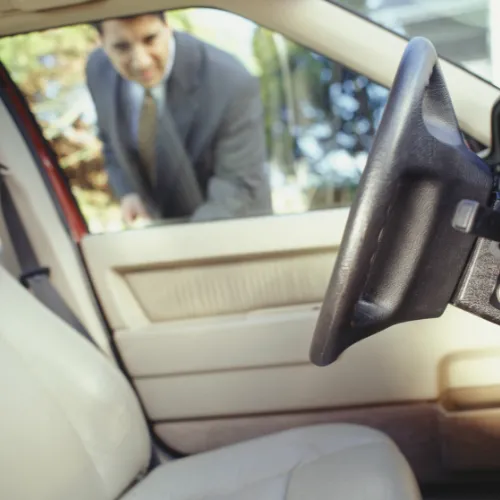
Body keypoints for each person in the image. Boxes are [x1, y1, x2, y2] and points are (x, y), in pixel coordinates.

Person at [86, 11, 272, 225]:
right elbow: (110, 140)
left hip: (232, 229)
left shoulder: (230, 82)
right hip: (163, 229)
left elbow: (237, 186)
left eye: (150, 39)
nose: (141, 62)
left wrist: (185, 246)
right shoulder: (97, 70)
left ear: (167, 26)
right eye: (122, 47)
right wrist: (128, 192)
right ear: (101, 42)